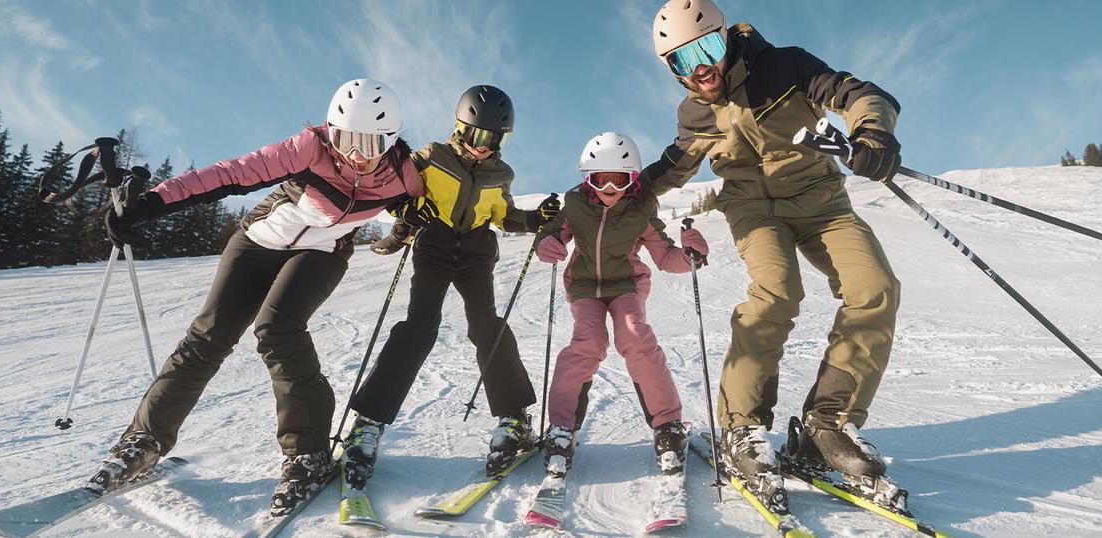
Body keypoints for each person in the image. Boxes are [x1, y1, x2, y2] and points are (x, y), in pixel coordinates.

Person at [86, 78, 424, 517]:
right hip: (259, 240)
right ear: (330, 129)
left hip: (322, 252)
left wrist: (406, 225)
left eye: (370, 143)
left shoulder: (405, 174)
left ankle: (308, 453)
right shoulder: (309, 147)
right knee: (209, 334)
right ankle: (145, 439)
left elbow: (416, 206)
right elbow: (231, 174)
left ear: (391, 140)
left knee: (279, 329)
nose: (356, 154)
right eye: (347, 138)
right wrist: (152, 203)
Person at [639, 0, 905, 502]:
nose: (699, 69)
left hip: (820, 202)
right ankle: (742, 425)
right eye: (681, 60)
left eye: (707, 47)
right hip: (753, 210)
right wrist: (620, 195)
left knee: (875, 288)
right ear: (670, 69)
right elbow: (673, 165)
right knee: (778, 291)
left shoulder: (785, 65)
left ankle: (829, 424)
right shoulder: (695, 112)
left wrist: (870, 133)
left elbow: (861, 94)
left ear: (727, 38)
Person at [338, 85, 561, 488]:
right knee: (419, 327)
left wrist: (534, 219)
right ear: (459, 128)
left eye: (493, 138)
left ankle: (513, 420)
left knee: (486, 325)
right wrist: (404, 213)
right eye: (476, 135)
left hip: (477, 250)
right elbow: (392, 188)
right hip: (434, 244)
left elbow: (503, 215)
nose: (483, 146)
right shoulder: (430, 158)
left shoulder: (501, 174)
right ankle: (367, 423)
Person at [532, 132, 709, 482]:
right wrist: (547, 244)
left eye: (620, 179)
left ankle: (667, 424)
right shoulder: (575, 203)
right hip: (585, 287)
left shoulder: (641, 209)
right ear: (588, 179)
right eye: (600, 179)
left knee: (635, 336)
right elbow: (552, 234)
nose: (609, 188)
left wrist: (692, 256)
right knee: (588, 342)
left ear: (632, 180)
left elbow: (665, 256)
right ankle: (562, 429)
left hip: (626, 284)